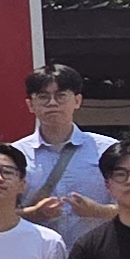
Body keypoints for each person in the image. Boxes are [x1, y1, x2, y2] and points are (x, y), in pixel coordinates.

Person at [16, 66, 117, 229]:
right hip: (37, 245)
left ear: (77, 101)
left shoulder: (108, 150)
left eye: (61, 96)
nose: (52, 103)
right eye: (43, 97)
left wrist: (99, 211)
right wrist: (33, 213)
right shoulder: (16, 154)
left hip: (96, 245)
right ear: (30, 105)